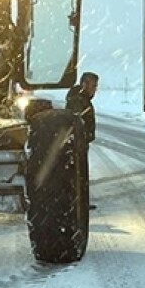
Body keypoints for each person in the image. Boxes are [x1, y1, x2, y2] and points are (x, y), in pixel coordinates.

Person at [66, 72, 98, 209]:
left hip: (80, 142)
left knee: (79, 173)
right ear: (84, 84)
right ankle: (78, 203)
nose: (95, 89)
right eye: (93, 85)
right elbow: (77, 122)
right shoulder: (78, 100)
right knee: (78, 173)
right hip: (77, 143)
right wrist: (82, 136)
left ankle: (80, 202)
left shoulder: (80, 98)